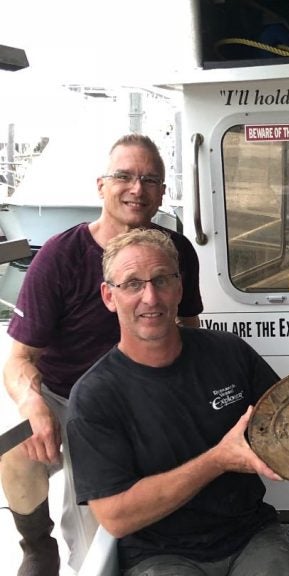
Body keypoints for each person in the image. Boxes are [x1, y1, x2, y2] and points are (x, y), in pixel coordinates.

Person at [0, 133, 203, 576]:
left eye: (150, 179)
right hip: (67, 394)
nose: (137, 188)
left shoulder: (178, 251)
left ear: (163, 193)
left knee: (104, 529)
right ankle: (36, 545)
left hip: (145, 392)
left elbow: (190, 331)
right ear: (100, 185)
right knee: (14, 449)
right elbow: (18, 359)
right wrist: (34, 404)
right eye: (124, 176)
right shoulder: (60, 256)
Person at [66, 228, 289, 576]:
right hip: (159, 555)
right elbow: (116, 517)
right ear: (109, 296)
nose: (150, 297)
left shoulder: (229, 352)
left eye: (162, 280)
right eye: (133, 284)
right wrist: (217, 460)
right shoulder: (95, 396)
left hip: (250, 537)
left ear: (180, 288)